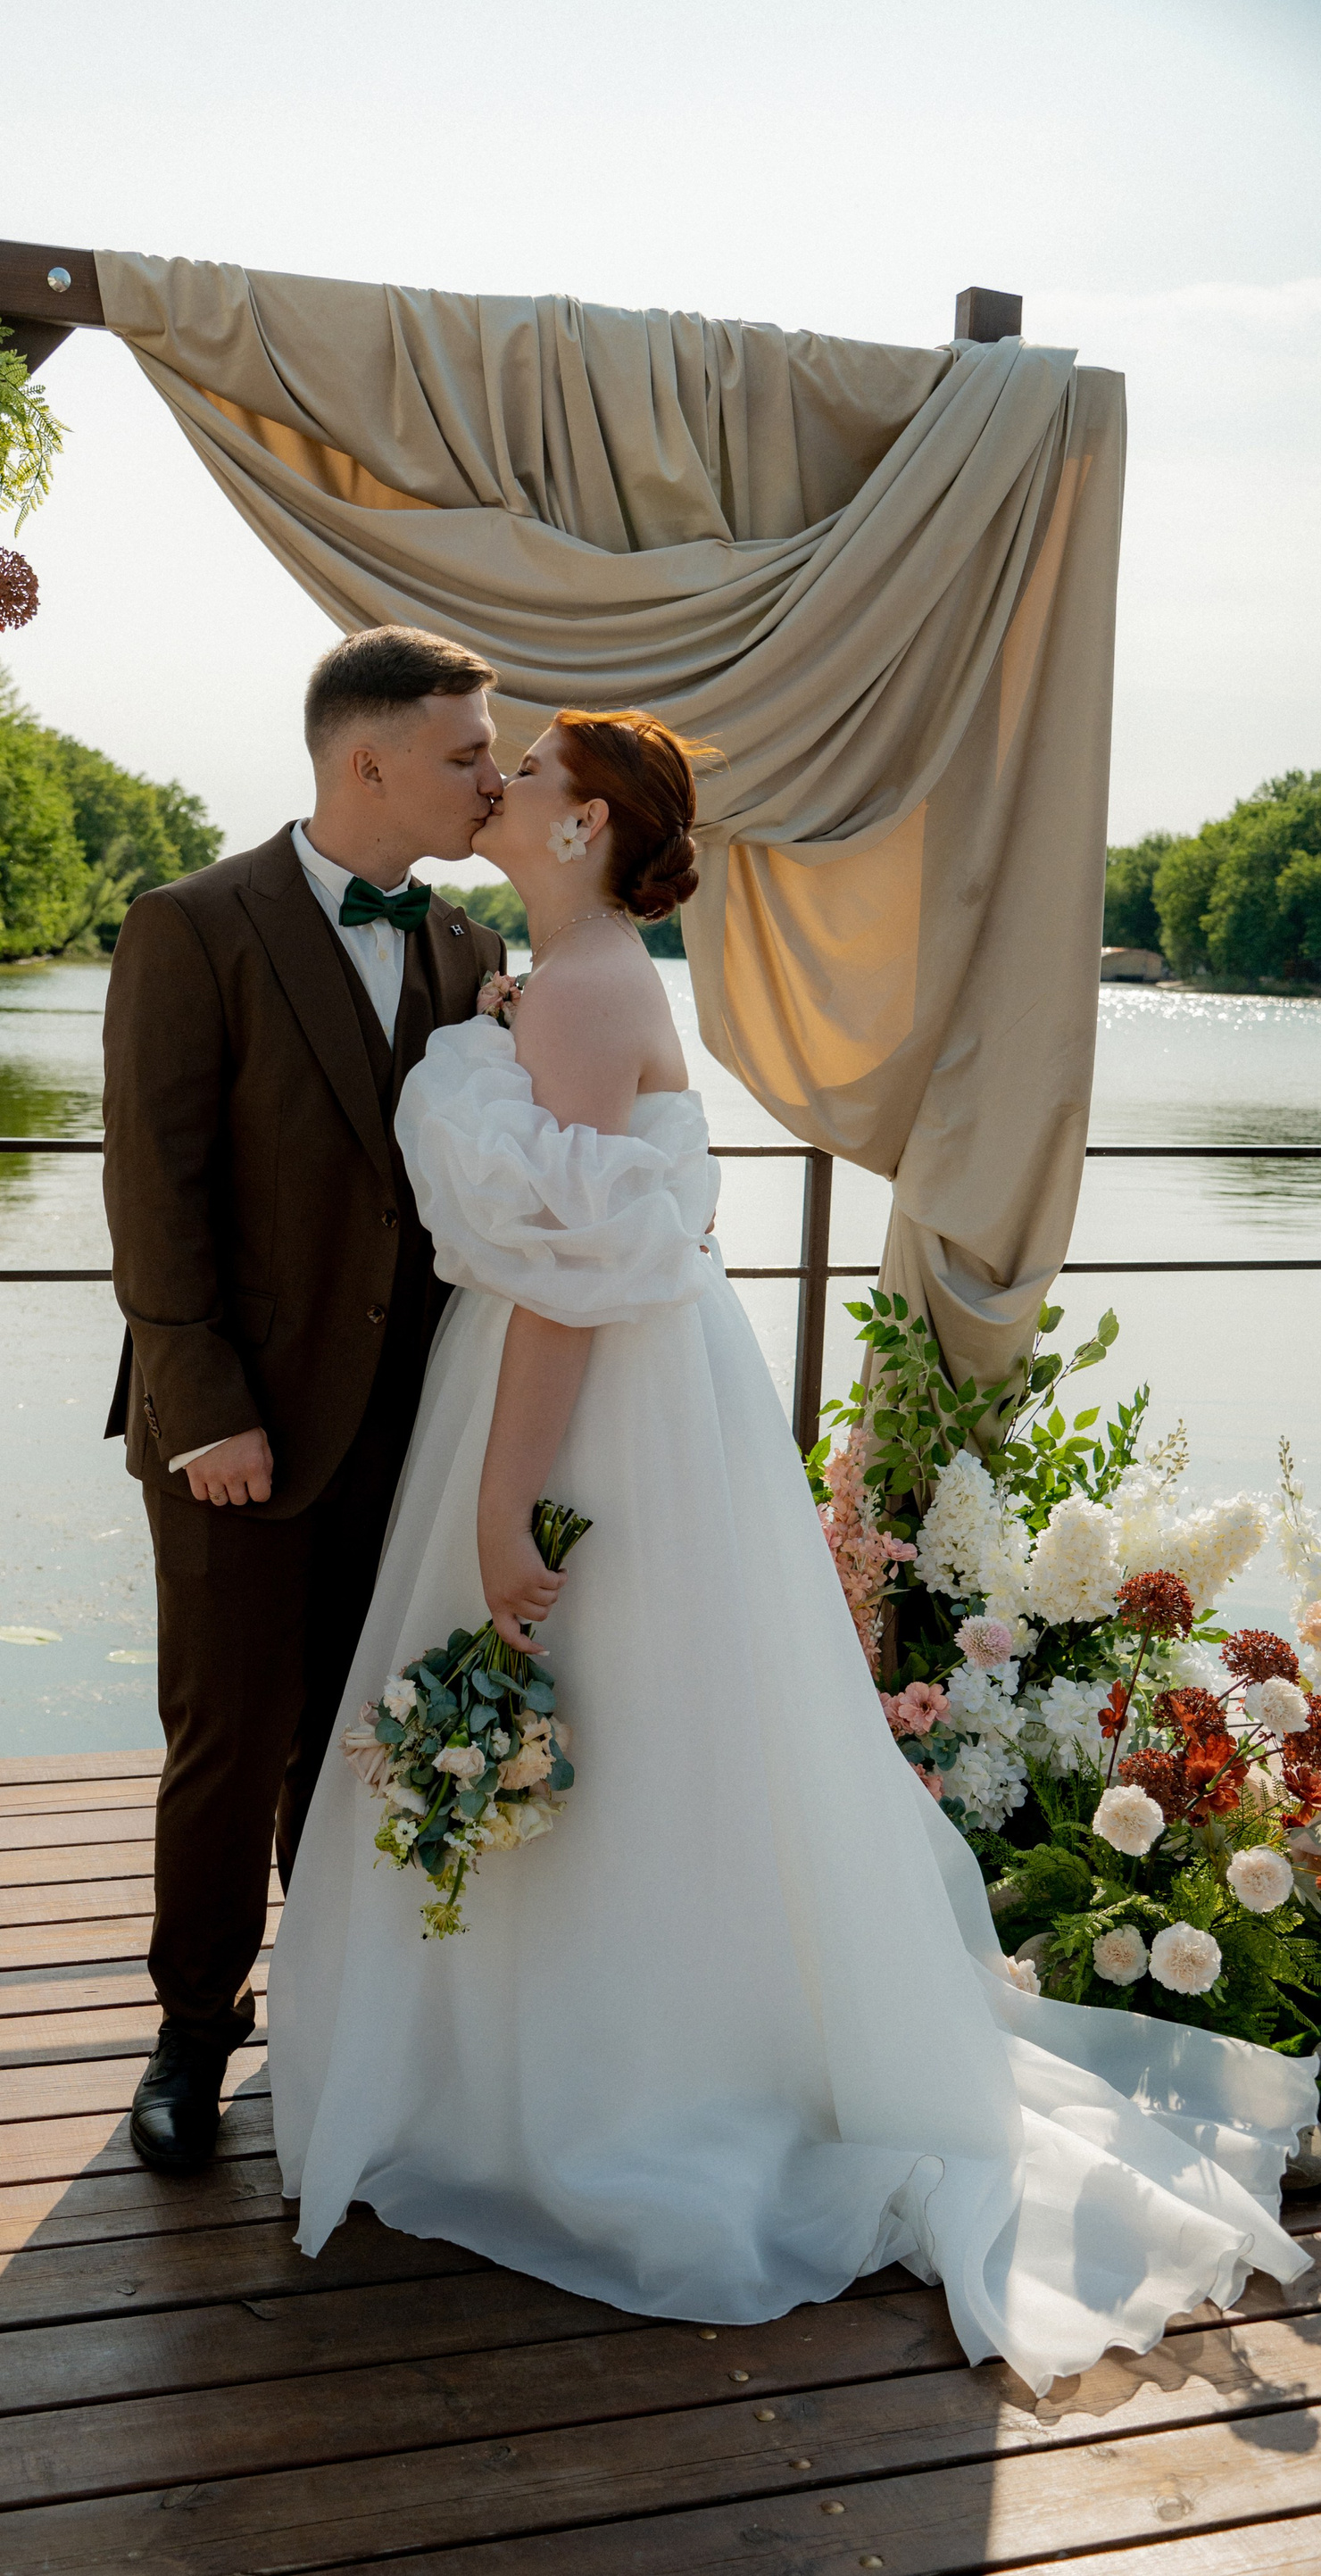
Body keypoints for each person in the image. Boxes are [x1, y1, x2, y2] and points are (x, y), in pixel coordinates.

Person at [270, 706, 1317, 2395]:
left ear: (587, 826)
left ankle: (594, 2089)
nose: (501, 784)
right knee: (640, 1720)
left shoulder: (589, 986)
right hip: (619, 1383)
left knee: (596, 1700)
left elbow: (565, 1278)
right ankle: (553, 2056)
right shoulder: (568, 973)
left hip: (581, 1404)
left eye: (528, 773)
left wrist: (500, 1499)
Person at [103, 626, 506, 2173]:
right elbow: (155, 1191)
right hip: (237, 1430)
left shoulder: (469, 949)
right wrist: (203, 1406)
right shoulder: (192, 925)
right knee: (228, 1740)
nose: (491, 779)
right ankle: (193, 2030)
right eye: (467, 753)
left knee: (362, 1739)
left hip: (412, 1428)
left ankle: (342, 2020)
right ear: (370, 761)